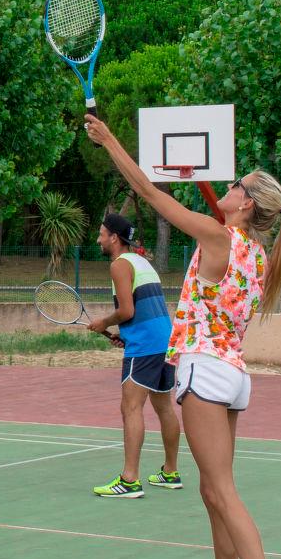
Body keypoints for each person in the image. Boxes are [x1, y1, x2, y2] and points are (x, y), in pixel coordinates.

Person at [84, 114, 281, 559]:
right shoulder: (259, 254)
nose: (226, 190)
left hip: (205, 373)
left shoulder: (218, 237)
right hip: (230, 374)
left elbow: (150, 194)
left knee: (224, 492)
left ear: (247, 204)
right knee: (211, 492)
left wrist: (110, 141)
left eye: (235, 187)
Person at [88, 211, 183, 499]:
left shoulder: (119, 265)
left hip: (145, 345)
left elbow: (127, 310)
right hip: (163, 339)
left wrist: (104, 323)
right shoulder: (142, 262)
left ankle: (129, 480)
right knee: (164, 407)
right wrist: (124, 334)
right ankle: (170, 472)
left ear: (114, 238)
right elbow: (142, 308)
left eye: (102, 234)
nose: (99, 239)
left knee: (130, 407)